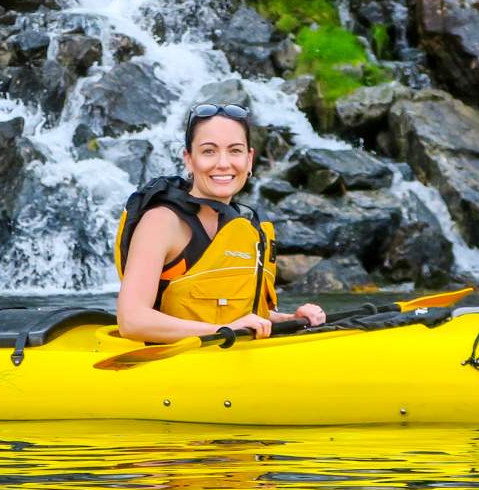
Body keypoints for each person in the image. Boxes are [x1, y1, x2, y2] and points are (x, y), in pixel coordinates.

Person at [113, 103, 324, 343]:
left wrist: (290, 320)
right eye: (209, 151)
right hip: (168, 361)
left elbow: (237, 315)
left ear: (249, 159)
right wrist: (222, 330)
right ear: (189, 159)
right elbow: (132, 321)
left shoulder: (244, 227)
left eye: (235, 151)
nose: (223, 163)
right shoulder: (162, 221)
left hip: (229, 357)